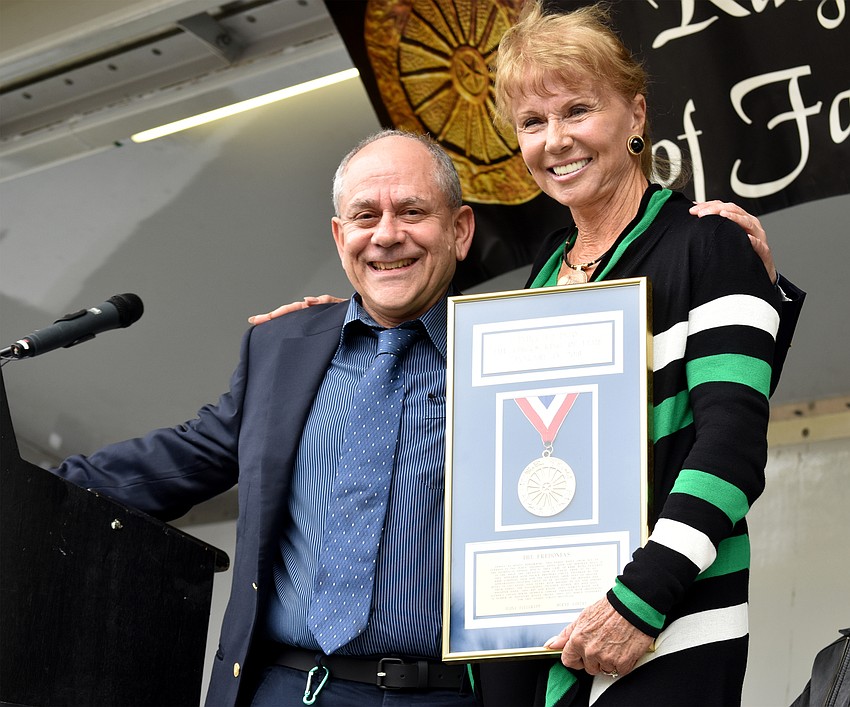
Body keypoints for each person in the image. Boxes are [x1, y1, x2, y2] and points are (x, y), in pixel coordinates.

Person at [53, 129, 478, 707]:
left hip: (442, 695)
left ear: (460, 230)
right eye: (365, 215)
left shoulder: (509, 353)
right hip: (282, 688)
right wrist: (36, 485)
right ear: (339, 235)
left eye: (412, 212)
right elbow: (191, 455)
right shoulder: (284, 346)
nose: (386, 235)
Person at [480, 1, 788, 704]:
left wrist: (638, 600)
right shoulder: (539, 280)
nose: (555, 140)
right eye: (532, 122)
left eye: (578, 110)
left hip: (665, 626)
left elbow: (731, 446)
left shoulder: (704, 243)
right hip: (543, 636)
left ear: (637, 115)